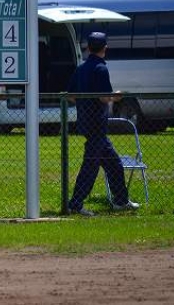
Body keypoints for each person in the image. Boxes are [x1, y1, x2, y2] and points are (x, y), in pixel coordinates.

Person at [67, 32, 140, 216]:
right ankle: (75, 204)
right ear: (105, 48)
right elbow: (104, 97)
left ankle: (121, 201)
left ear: (88, 48)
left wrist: (85, 103)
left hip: (86, 122)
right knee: (90, 167)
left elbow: (71, 96)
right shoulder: (101, 68)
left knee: (114, 164)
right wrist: (117, 96)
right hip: (97, 124)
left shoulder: (81, 68)